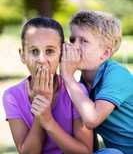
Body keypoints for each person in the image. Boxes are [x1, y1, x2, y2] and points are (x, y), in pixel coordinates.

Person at [3, 17, 93, 154]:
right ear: (22, 55)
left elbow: (85, 151)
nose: (42, 60)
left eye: (50, 51)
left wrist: (48, 120)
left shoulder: (75, 92)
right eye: (34, 51)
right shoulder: (12, 96)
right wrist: (41, 109)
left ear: (62, 53)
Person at [61, 10, 132, 154]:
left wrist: (67, 76)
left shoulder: (117, 75)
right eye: (72, 39)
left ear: (105, 53)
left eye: (84, 41)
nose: (74, 46)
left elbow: (92, 119)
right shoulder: (81, 84)